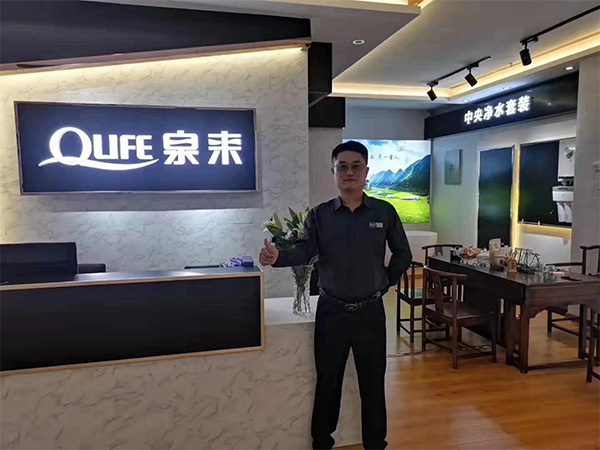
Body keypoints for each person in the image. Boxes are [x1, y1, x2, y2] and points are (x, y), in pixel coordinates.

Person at [259, 140, 412, 450]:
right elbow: (306, 249)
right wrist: (278, 257)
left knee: (373, 384)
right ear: (333, 173)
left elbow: (403, 254)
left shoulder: (384, 211)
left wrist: (385, 283)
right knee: (328, 382)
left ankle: (375, 444)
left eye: (356, 166)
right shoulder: (321, 214)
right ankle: (321, 443)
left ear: (366, 172)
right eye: (342, 167)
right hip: (331, 312)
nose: (349, 172)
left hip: (370, 313)